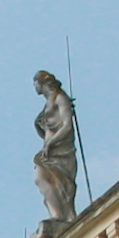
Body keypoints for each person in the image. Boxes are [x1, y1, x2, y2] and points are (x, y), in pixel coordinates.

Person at [32, 69, 81, 220]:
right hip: (50, 149)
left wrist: (51, 142)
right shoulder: (48, 103)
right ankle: (57, 214)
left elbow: (67, 126)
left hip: (60, 148)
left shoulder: (60, 98)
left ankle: (63, 214)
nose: (34, 87)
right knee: (41, 179)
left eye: (35, 84)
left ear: (41, 83)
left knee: (60, 183)